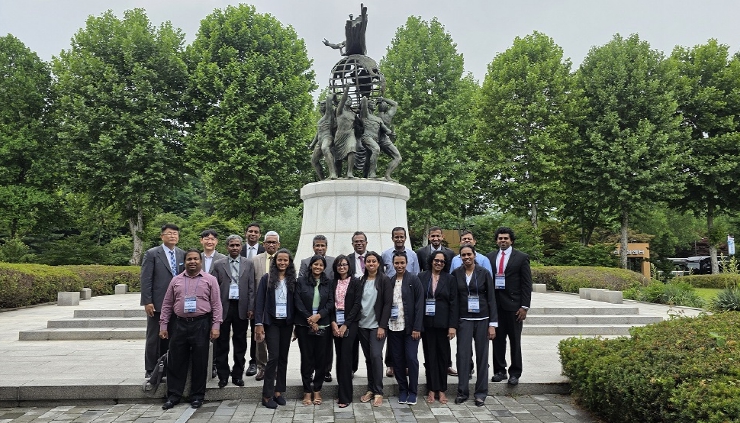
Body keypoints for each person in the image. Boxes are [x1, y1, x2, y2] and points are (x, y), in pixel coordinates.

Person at [159, 249, 222, 410]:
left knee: (200, 361)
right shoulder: (176, 280)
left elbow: (216, 304)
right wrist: (163, 325)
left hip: (201, 324)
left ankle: (197, 396)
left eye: (195, 259)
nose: (192, 262)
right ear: (185, 262)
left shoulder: (210, 279)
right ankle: (174, 395)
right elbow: (167, 304)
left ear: (200, 261)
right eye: (189, 259)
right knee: (176, 360)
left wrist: (216, 326)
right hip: (179, 324)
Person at [452, 244, 497, 407]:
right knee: (462, 356)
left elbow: (491, 299)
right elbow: (454, 300)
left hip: (482, 319)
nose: (466, 257)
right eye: (463, 255)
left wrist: (492, 324)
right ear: (460, 257)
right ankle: (462, 392)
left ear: (474, 255)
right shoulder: (456, 273)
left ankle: (481, 393)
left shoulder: (484, 273)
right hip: (464, 320)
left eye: (469, 254)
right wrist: (453, 324)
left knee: (482, 357)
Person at [486, 227, 532, 386]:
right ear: (496, 240)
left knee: (515, 341)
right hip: (496, 306)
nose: (503, 241)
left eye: (506, 238)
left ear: (511, 240)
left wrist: (524, 307)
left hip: (514, 307)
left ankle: (515, 373)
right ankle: (500, 371)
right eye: (500, 238)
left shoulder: (521, 257)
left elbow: (526, 284)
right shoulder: (490, 257)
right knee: (497, 340)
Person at [140, 224, 185, 379]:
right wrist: (147, 301)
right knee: (154, 336)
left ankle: (167, 366)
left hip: (177, 302)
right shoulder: (152, 253)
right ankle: (150, 368)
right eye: (169, 233)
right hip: (158, 302)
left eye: (175, 233)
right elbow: (146, 279)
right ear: (162, 236)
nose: (173, 236)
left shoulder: (182, 254)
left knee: (173, 335)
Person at [254, 248, 296, 409]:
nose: (282, 262)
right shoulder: (267, 278)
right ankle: (267, 395)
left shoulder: (293, 279)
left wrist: (297, 326)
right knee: (274, 357)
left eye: (285, 260)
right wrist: (259, 324)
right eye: (280, 260)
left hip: (287, 323)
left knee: (283, 357)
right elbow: (259, 302)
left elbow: (296, 303)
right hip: (271, 322)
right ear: (275, 261)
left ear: (289, 262)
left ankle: (279, 391)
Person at [212, 235, 255, 388]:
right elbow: (214, 288)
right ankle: (223, 376)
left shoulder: (248, 264)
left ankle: (237, 374)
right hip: (224, 307)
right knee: (222, 343)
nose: (235, 248)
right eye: (232, 245)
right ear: (227, 247)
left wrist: (251, 307)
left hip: (241, 307)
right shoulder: (218, 264)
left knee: (240, 342)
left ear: (241, 247)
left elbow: (251, 287)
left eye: (237, 245)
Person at [294, 255, 334, 406]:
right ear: (310, 266)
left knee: (321, 359)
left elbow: (331, 302)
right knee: (307, 358)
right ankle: (306, 391)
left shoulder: (328, 282)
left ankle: (317, 389)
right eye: (315, 264)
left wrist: (319, 316)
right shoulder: (301, 281)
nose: (318, 267)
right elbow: (297, 302)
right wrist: (310, 319)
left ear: (324, 267)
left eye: (321, 265)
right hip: (304, 326)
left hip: (323, 325)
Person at [419, 251, 457, 404]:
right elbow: (418, 301)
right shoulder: (422, 277)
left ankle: (441, 389)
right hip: (426, 323)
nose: (439, 263)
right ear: (431, 261)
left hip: (443, 324)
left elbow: (454, 303)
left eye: (442, 261)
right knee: (429, 356)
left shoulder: (450, 279)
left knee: (442, 356)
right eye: (436, 260)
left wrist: (452, 326)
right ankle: (431, 388)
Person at [386, 251, 424, 405]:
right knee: (397, 359)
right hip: (393, 327)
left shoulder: (414, 280)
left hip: (410, 328)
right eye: (397, 263)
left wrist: (417, 328)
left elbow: (419, 305)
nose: (399, 265)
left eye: (402, 263)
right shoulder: (390, 281)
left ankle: (413, 391)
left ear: (406, 263)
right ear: (393, 264)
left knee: (411, 358)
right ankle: (403, 389)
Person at [357, 251, 393, 407]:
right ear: (364, 264)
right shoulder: (361, 280)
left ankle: (379, 391)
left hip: (377, 326)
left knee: (376, 355)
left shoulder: (384, 280)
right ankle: (370, 389)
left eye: (374, 261)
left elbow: (387, 304)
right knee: (368, 358)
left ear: (378, 263)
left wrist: (382, 326)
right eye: (368, 261)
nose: (371, 264)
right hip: (362, 325)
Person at [330, 255, 363, 408]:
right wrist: (333, 323)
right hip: (336, 323)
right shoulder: (333, 282)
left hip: (350, 323)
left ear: (349, 266)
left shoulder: (355, 282)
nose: (342, 267)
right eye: (339, 265)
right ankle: (341, 391)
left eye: (344, 264)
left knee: (346, 357)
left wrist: (346, 325)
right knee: (339, 357)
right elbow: (330, 303)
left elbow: (357, 304)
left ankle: (346, 396)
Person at [246, 231, 280, 381]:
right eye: (268, 242)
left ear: (278, 244)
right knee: (259, 338)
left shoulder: (283, 259)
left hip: (278, 306)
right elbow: (251, 285)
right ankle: (262, 367)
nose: (271, 245)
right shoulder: (255, 260)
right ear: (264, 244)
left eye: (274, 242)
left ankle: (275, 368)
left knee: (276, 338)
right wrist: (251, 306)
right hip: (259, 305)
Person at [359, 96, 393, 179]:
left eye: (374, 103)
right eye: (371, 103)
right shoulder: (365, 115)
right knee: (376, 149)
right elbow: (364, 101)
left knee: (369, 157)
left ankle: (365, 175)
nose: (374, 104)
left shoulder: (378, 119)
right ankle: (372, 173)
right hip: (367, 137)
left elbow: (386, 130)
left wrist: (390, 132)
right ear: (368, 105)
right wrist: (366, 96)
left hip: (375, 139)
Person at [309, 95, 337, 180]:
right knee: (313, 161)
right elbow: (318, 133)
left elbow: (328, 99)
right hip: (320, 140)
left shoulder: (329, 115)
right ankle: (322, 179)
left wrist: (333, 96)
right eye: (320, 105)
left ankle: (333, 173)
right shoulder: (321, 120)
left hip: (327, 137)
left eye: (323, 104)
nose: (321, 106)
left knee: (325, 148)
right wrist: (312, 144)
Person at [374, 97, 402, 181]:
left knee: (372, 157)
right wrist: (384, 99)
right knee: (398, 158)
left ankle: (371, 174)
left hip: (375, 140)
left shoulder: (374, 117)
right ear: (386, 108)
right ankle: (387, 175)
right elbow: (395, 104)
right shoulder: (388, 116)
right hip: (384, 140)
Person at [333, 86, 358, 178]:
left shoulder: (353, 113)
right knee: (338, 158)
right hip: (340, 135)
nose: (349, 100)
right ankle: (337, 174)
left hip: (350, 134)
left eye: (350, 99)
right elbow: (343, 100)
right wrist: (346, 90)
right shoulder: (339, 111)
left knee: (352, 148)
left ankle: (349, 172)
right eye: (347, 99)